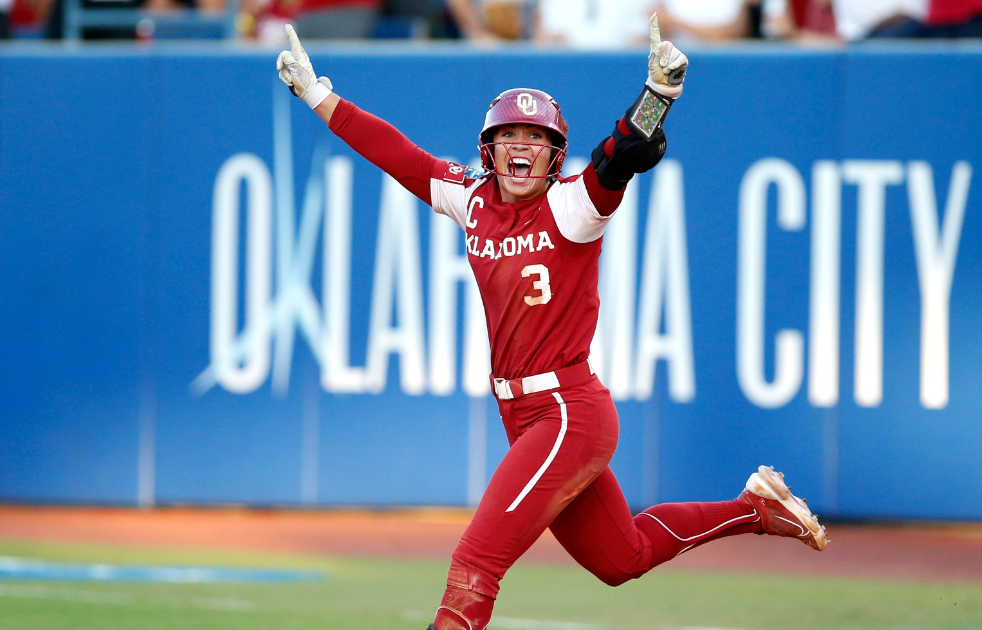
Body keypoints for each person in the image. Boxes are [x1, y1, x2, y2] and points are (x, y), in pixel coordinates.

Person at [275, 16, 827, 630]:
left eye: (536, 138)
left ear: (555, 152)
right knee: (624, 557)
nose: (521, 147)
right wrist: (320, 96)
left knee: (474, 563)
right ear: (489, 146)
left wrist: (657, 98)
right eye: (509, 134)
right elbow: (398, 156)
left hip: (565, 410)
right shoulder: (474, 198)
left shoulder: (571, 204)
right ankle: (754, 510)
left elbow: (622, 154)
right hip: (527, 415)